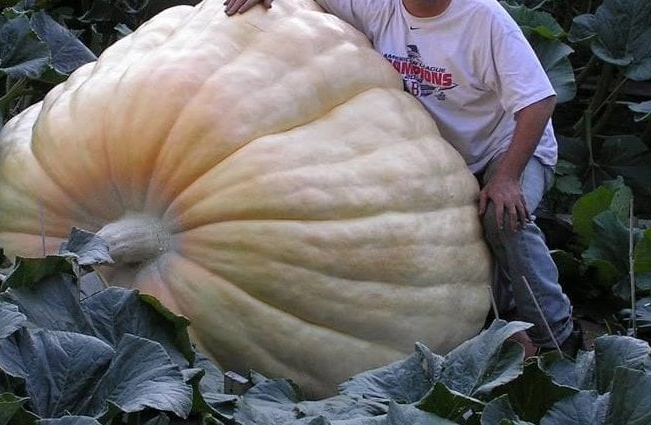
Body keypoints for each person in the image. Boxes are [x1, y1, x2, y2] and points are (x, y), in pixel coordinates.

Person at [224, 0, 577, 356]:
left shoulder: (483, 18)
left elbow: (539, 102)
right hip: (444, 153)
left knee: (501, 218)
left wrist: (507, 178)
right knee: (447, 244)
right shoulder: (381, 6)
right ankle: (508, 311)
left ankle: (557, 334)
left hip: (510, 146)